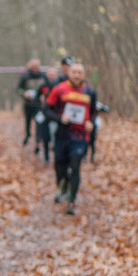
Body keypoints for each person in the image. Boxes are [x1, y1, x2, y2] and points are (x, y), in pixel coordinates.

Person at [44, 61, 98, 215]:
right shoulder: (59, 89)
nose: (76, 75)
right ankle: (64, 183)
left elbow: (94, 112)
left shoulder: (89, 92)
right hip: (62, 135)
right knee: (60, 165)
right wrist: (60, 119)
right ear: (68, 73)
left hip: (80, 137)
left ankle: (72, 201)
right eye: (74, 72)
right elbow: (47, 110)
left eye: (80, 72)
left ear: (84, 75)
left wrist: (91, 124)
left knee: (75, 166)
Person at [16, 59, 50, 145]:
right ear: (30, 66)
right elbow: (18, 89)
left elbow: (48, 88)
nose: (35, 67)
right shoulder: (25, 76)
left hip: (38, 105)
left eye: (37, 65)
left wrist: (45, 95)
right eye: (33, 65)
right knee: (28, 122)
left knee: (39, 122)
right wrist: (24, 93)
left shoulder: (43, 76)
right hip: (28, 105)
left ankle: (38, 140)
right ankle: (28, 135)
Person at [33, 65, 60, 163]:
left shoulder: (60, 85)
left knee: (56, 135)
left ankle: (57, 156)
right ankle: (46, 156)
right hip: (44, 113)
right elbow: (36, 98)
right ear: (47, 75)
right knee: (45, 135)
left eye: (54, 74)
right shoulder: (43, 86)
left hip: (56, 114)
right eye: (50, 74)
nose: (52, 76)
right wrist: (40, 104)